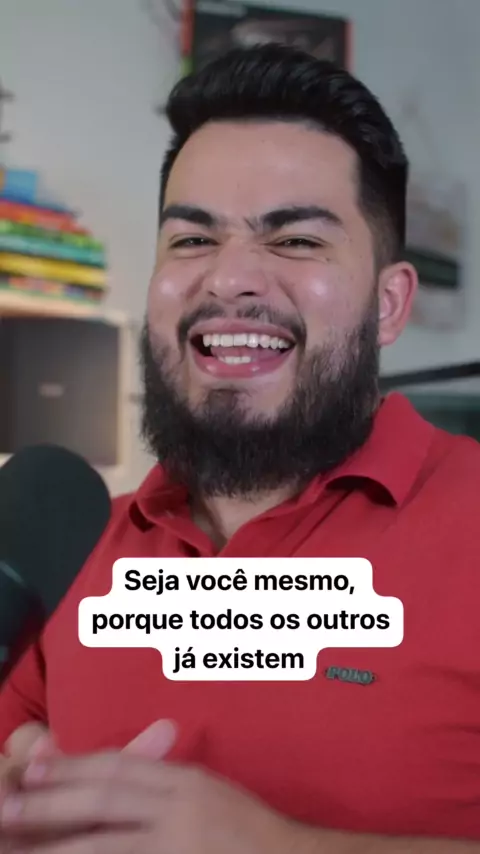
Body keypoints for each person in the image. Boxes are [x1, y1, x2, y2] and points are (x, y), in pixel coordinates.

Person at [1, 42, 480, 853]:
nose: (229, 279)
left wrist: (280, 847)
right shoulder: (70, 546)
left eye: (295, 241)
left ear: (389, 305)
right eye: (192, 240)